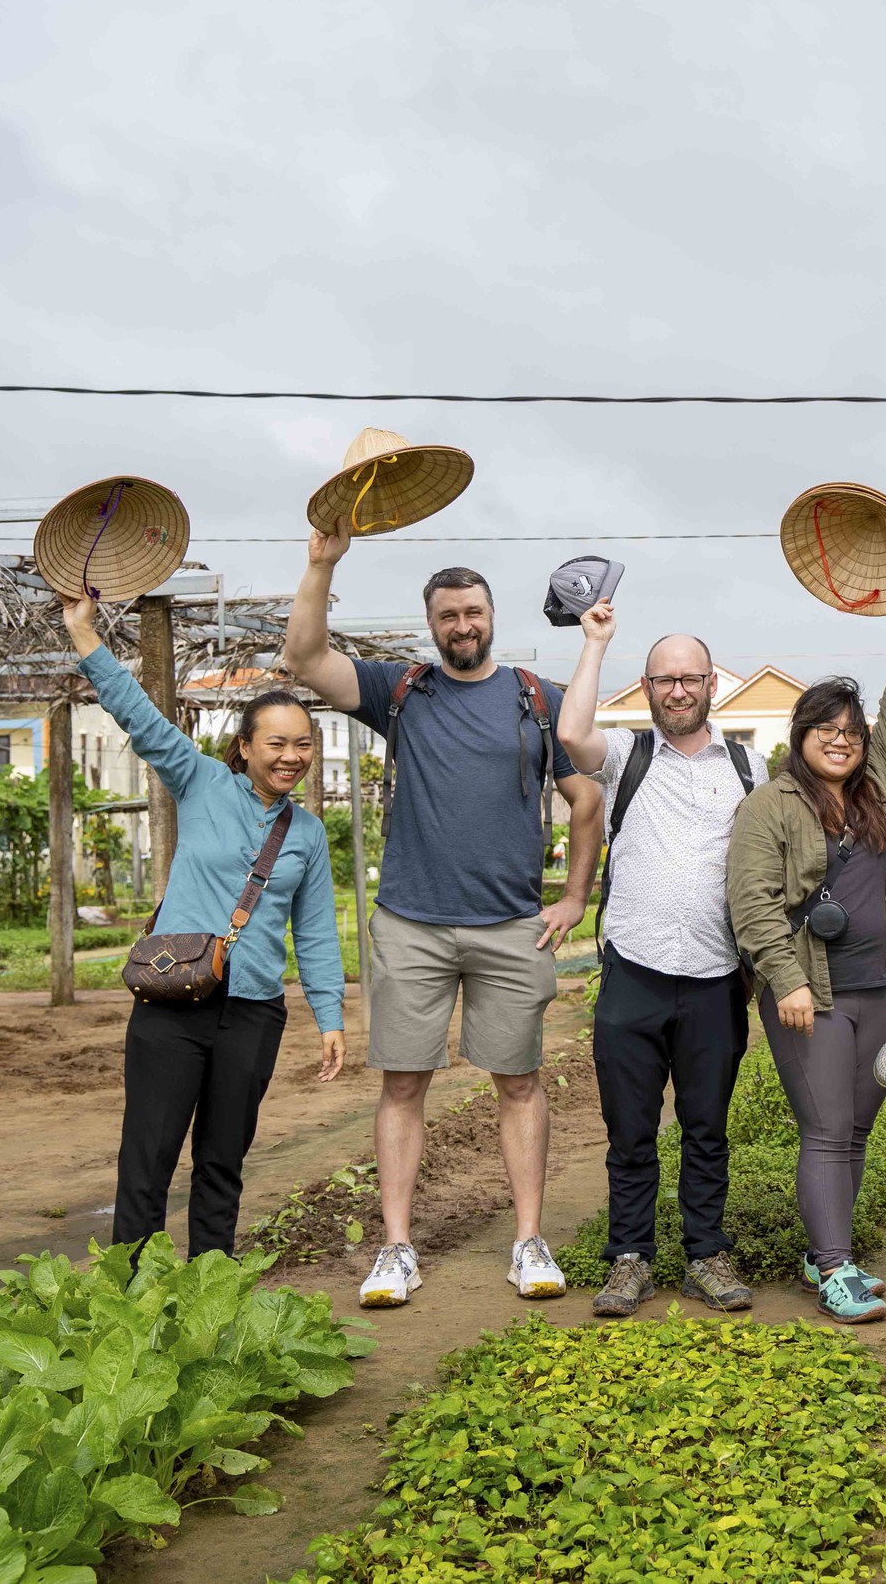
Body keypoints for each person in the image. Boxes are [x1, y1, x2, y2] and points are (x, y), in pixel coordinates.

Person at [283, 525, 603, 1308]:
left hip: (509, 926)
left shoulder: (536, 697)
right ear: (432, 623)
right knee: (401, 1084)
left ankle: (529, 1241)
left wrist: (573, 895)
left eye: (474, 611)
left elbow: (587, 795)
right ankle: (396, 1249)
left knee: (520, 1082)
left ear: (492, 615)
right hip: (411, 924)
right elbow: (304, 659)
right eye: (449, 615)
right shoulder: (402, 692)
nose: (463, 624)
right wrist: (322, 562)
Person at [60, 592, 346, 1258]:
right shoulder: (200, 783)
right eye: (276, 742)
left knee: (223, 1161)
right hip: (173, 1000)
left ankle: (211, 1291)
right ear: (244, 747)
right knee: (148, 1156)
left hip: (253, 1013)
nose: (291, 756)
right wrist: (84, 635)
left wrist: (329, 1016)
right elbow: (139, 715)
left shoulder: (306, 832)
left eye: (304, 744)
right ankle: (131, 1293)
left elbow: (315, 931)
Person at [724, 588, 886, 1324]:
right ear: (800, 732)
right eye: (826, 728)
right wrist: (785, 980)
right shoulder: (770, 805)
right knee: (824, 1126)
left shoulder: (874, 787)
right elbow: (751, 903)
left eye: (851, 730)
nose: (840, 740)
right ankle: (836, 1268)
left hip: (878, 987)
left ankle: (827, 1254)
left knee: (859, 1127)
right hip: (812, 993)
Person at [555, 604, 759, 1318]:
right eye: (665, 679)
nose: (679, 690)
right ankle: (630, 1257)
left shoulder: (748, 767)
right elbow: (571, 732)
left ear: (712, 685)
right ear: (646, 686)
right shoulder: (623, 757)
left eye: (691, 678)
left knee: (708, 1127)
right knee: (630, 1129)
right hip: (634, 970)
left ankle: (706, 1253)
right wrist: (596, 642)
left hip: (715, 977)